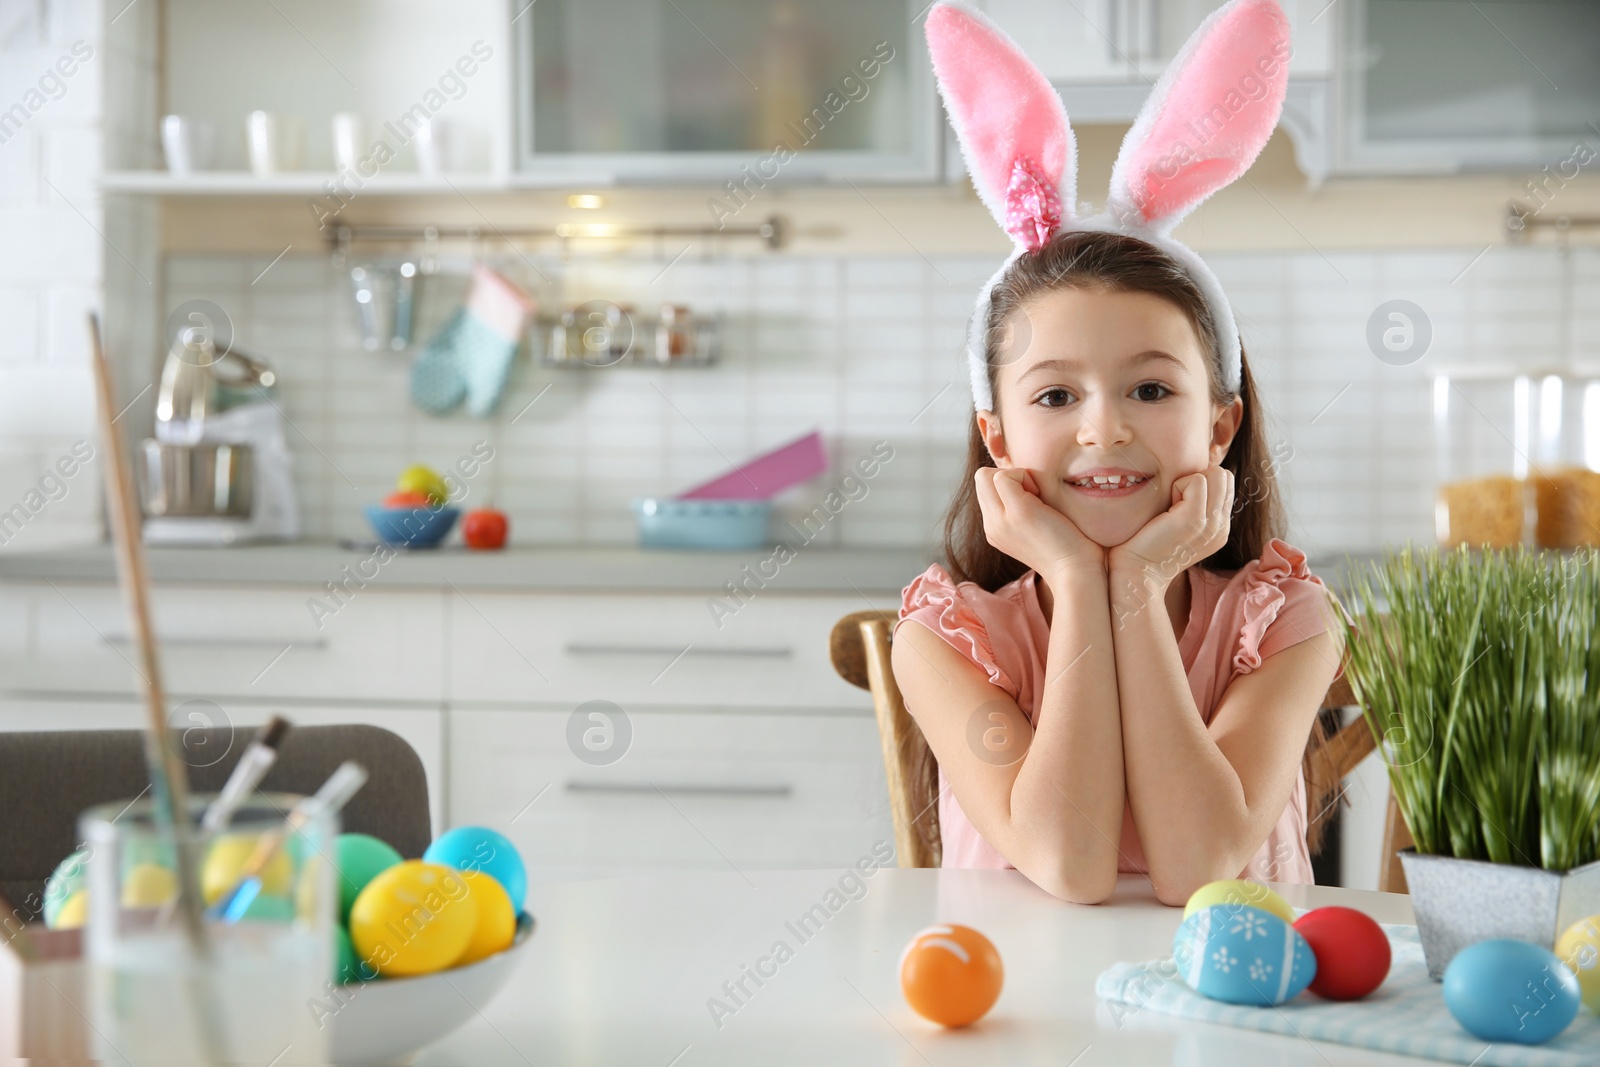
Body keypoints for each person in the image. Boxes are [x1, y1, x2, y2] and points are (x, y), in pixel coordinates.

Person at [892, 0, 1345, 906]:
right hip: (1023, 1031)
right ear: (999, 436)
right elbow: (1067, 861)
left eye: (1150, 388)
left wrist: (1133, 584)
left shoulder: (1287, 622)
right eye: (1056, 395)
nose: (1104, 430)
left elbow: (1202, 866)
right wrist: (1071, 573)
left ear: (1221, 425)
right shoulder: (946, 641)